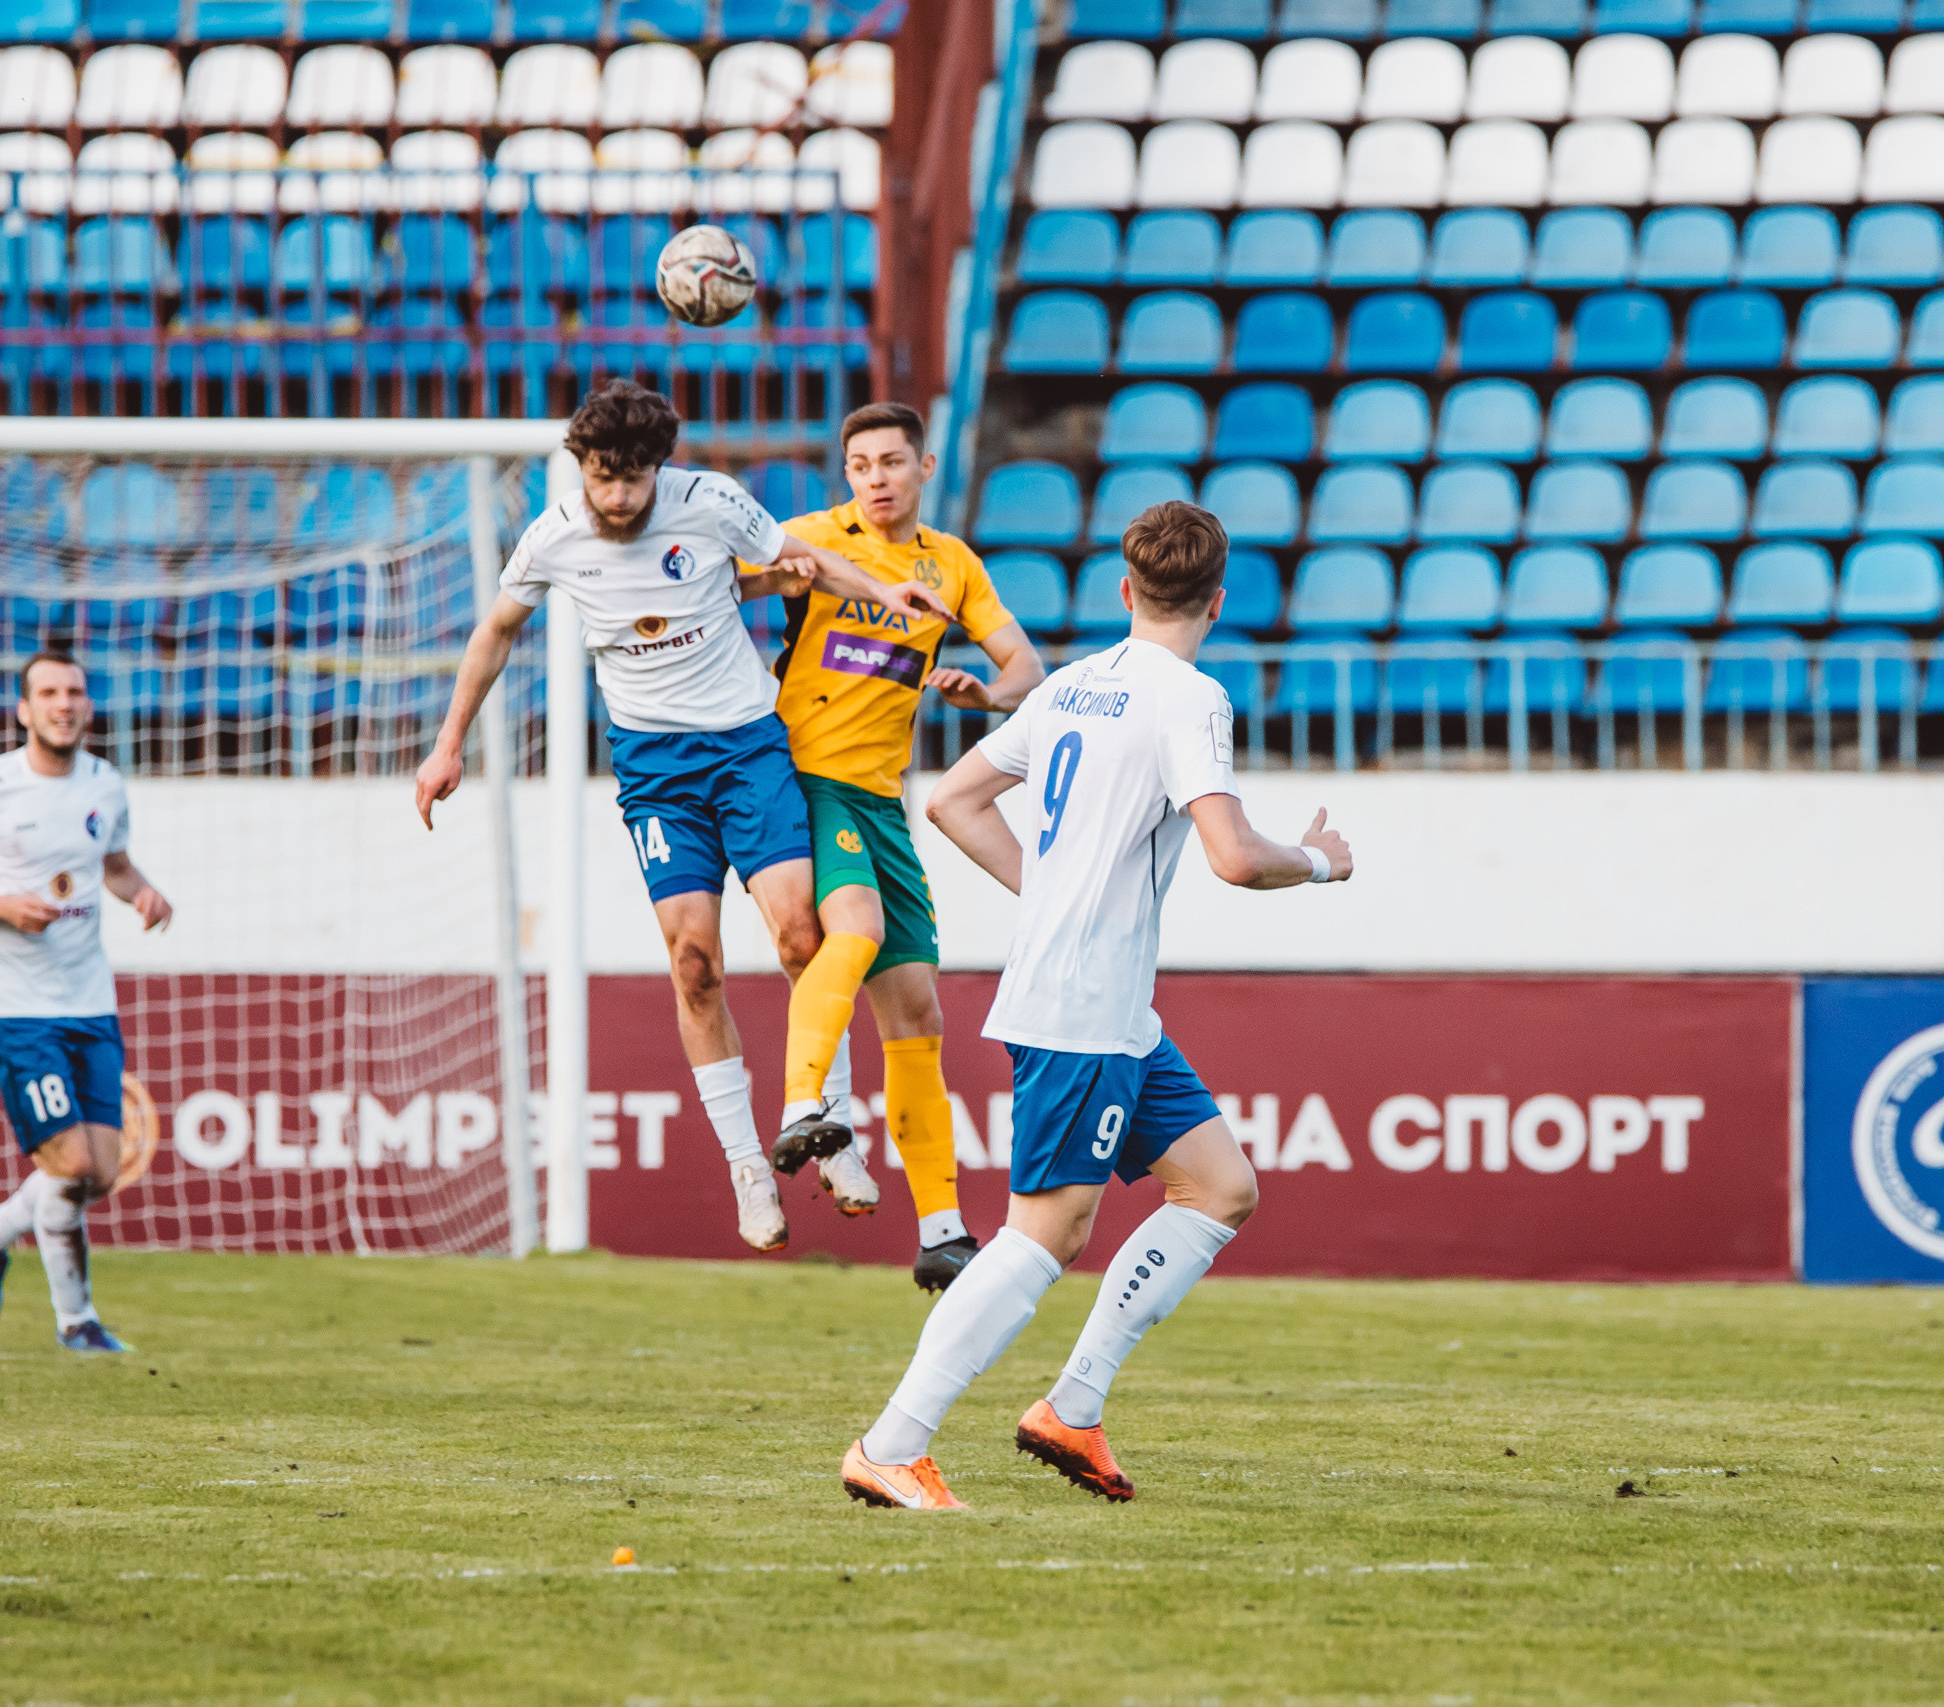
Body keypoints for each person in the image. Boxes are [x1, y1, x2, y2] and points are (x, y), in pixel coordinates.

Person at [838, 502, 1354, 1511]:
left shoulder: (1072, 683)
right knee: (1046, 1233)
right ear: (1216, 602)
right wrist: (1320, 862)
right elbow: (1234, 856)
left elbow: (949, 800)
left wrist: (1050, 896)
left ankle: (1072, 1407)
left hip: (1109, 1005)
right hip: (1082, 1003)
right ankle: (892, 1444)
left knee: (1219, 1187)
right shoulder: (1191, 696)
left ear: (1125, 590)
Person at [415, 380, 953, 1251]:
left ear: (658, 469)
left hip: (748, 749)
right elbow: (496, 632)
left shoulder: (710, 503)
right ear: (582, 467)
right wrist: (448, 747)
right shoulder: (554, 535)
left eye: (631, 479)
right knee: (694, 963)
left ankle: (831, 1128)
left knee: (802, 937)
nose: (615, 495)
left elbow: (804, 559)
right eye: (601, 477)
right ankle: (748, 1168)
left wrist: (883, 593)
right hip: (657, 771)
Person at [773, 402, 1046, 1290]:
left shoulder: (952, 563)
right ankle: (804, 1103)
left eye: (891, 461)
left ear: (925, 467)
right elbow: (727, 575)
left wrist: (985, 697)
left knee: (919, 1014)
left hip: (883, 801)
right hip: (809, 777)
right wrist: (777, 574)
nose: (876, 478)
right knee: (853, 929)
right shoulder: (815, 538)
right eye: (860, 464)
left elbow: (1026, 669)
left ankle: (941, 1230)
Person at [0, 651, 173, 1354]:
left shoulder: (106, 784)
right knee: (69, 1162)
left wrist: (144, 894)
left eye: (73, 692)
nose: (63, 704)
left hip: (89, 998)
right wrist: (2, 907)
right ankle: (76, 1321)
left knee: (101, 1169)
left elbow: (116, 868)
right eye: (48, 693)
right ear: (24, 709)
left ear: (87, 706)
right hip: (16, 1004)